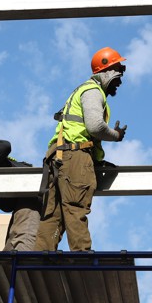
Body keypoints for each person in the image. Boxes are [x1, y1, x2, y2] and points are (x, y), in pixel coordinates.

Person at [34, 47, 128, 251]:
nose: (120, 81)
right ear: (107, 71)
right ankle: (82, 257)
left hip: (58, 157)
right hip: (75, 156)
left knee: (54, 214)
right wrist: (116, 135)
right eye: (118, 73)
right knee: (76, 207)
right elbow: (95, 127)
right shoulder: (93, 91)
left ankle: (38, 259)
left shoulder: (81, 91)